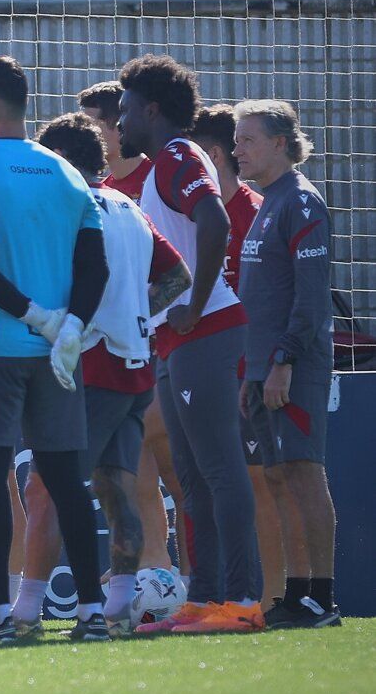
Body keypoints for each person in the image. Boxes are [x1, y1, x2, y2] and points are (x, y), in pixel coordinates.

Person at [0, 113, 190, 634]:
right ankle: (115, 608)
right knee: (119, 485)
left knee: (45, 488)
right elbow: (177, 277)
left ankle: (26, 611)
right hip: (136, 363)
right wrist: (136, 312)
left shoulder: (70, 206)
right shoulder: (129, 207)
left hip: (88, 363)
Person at [0, 58, 114, 646]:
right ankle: (91, 611)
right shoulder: (66, 173)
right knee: (68, 482)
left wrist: (31, 316)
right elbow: (96, 263)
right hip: (59, 354)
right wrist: (70, 327)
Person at [118, 55, 264, 634]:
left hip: (207, 331)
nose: (121, 121)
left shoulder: (178, 154)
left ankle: (244, 601)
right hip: (182, 340)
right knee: (195, 475)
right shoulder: (163, 164)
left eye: (126, 109)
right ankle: (204, 599)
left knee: (221, 470)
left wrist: (195, 304)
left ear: (152, 109)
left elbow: (216, 220)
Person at [234, 100, 340, 629]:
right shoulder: (266, 202)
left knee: (302, 473)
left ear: (280, 143)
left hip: (290, 366)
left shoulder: (300, 201)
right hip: (261, 368)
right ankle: (297, 594)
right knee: (276, 477)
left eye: (247, 139)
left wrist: (282, 361)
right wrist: (250, 370)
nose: (237, 150)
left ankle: (321, 596)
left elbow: (311, 296)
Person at [82, 78, 177, 572]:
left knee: (178, 471)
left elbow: (179, 267)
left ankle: (190, 576)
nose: (101, 131)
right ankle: (155, 573)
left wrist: (148, 315)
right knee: (133, 467)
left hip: (159, 347)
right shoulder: (99, 193)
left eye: (101, 122)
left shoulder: (153, 182)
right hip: (127, 351)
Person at [189, 104, 282, 603]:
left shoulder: (257, 212)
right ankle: (201, 595)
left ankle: (268, 598)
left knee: (258, 484)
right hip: (197, 371)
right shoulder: (188, 213)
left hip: (249, 376)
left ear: (212, 154)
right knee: (196, 487)